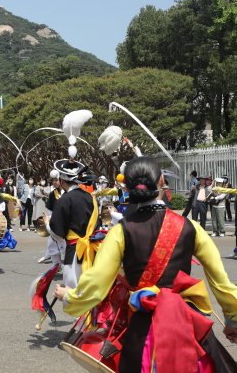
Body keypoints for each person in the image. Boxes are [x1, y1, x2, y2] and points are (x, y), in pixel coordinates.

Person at [54, 157, 237, 372]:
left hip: (141, 327)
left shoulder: (120, 231)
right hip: (186, 325)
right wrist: (233, 320)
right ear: (161, 181)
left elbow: (96, 283)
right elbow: (222, 283)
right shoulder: (191, 227)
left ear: (126, 188)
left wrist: (69, 296)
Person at [48, 160, 98, 288]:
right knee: (89, 291)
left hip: (73, 252)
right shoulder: (91, 198)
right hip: (93, 252)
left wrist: (47, 224)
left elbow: (57, 233)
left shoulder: (63, 200)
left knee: (72, 291)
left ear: (62, 181)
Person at [38, 170, 65, 264]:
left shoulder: (68, 192)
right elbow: (50, 211)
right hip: (56, 223)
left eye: (56, 180)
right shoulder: (52, 194)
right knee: (52, 244)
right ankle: (56, 265)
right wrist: (49, 221)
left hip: (68, 224)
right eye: (53, 180)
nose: (54, 182)